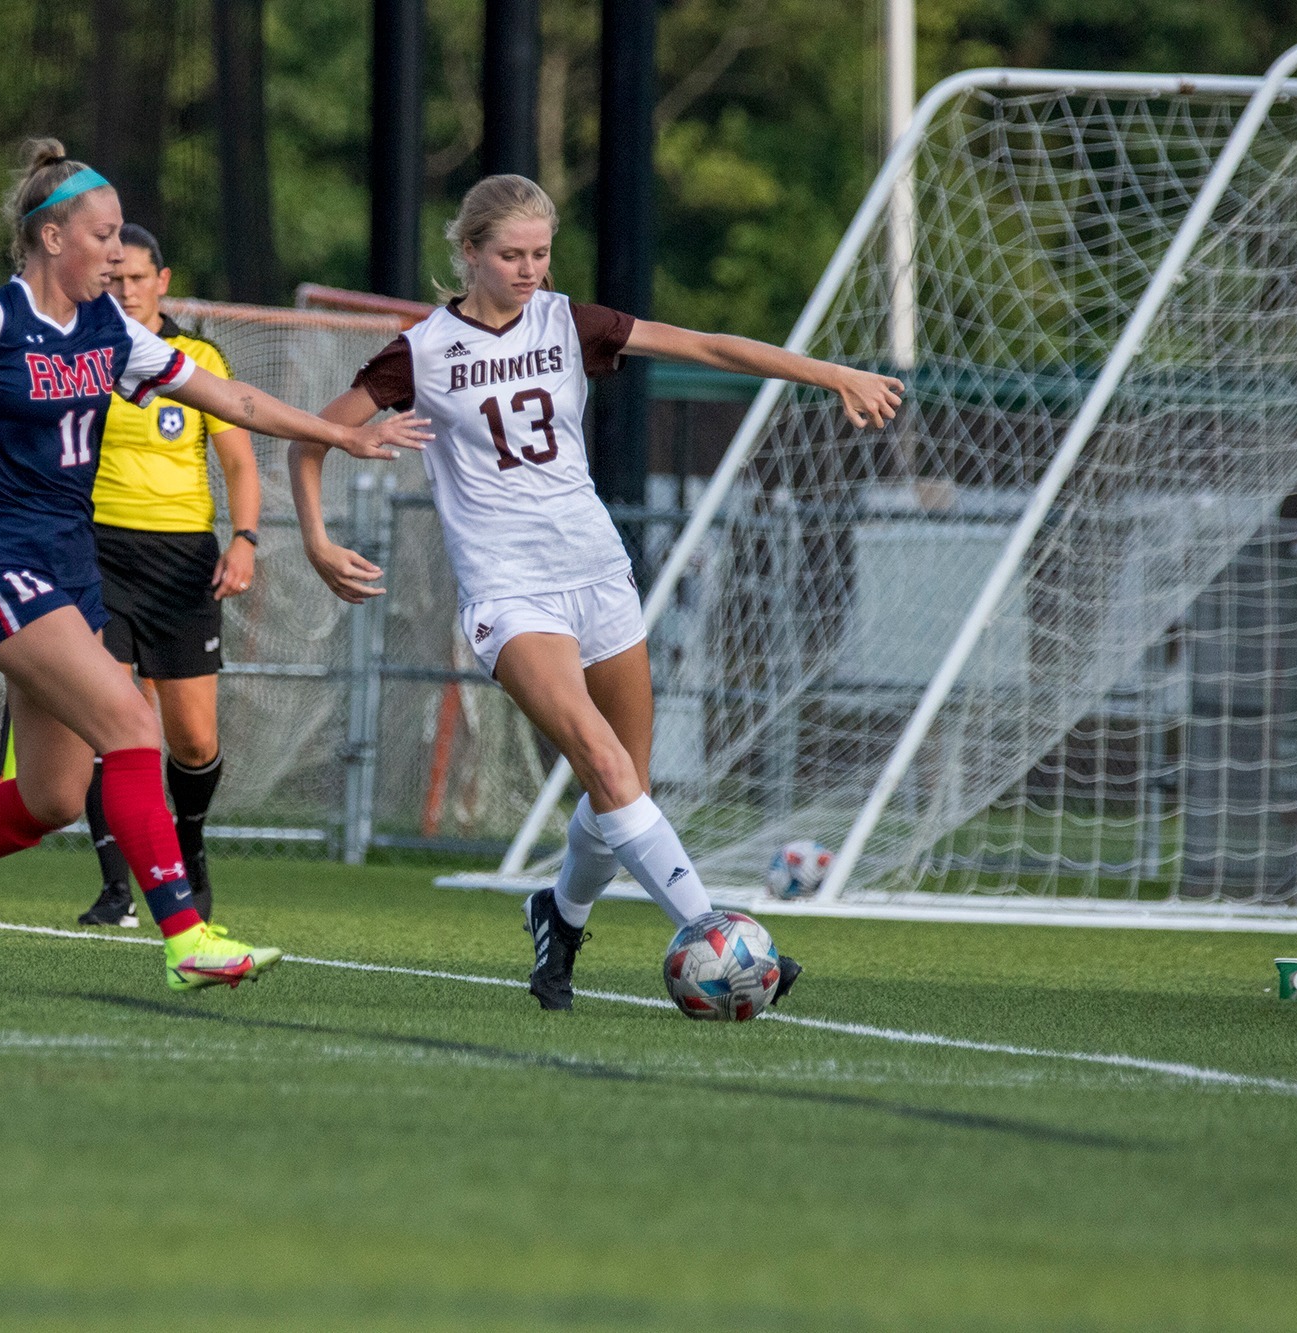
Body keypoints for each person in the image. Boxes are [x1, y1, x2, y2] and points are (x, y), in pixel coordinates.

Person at [0, 139, 427, 990]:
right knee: (134, 725)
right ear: (52, 238)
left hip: (70, 567)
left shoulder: (110, 332)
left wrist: (340, 434)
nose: (116, 253)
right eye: (103, 236)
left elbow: (234, 399)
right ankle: (186, 938)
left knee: (52, 799)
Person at [290, 174, 901, 1011]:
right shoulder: (422, 351)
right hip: (510, 592)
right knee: (606, 764)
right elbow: (311, 438)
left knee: (623, 788)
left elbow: (709, 347)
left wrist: (828, 373)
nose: (529, 269)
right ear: (469, 252)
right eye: (511, 254)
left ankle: (560, 916)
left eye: (540, 253)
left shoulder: (566, 322)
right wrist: (318, 539)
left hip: (598, 573)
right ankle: (714, 931)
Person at [0, 223, 257, 929]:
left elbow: (238, 460)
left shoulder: (198, 357)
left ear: (162, 282)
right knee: (110, 718)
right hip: (95, 552)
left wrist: (245, 539)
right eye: (115, 279)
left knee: (193, 738)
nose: (127, 290)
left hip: (182, 561)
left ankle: (189, 844)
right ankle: (118, 887)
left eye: (139, 278)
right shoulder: (82, 353)